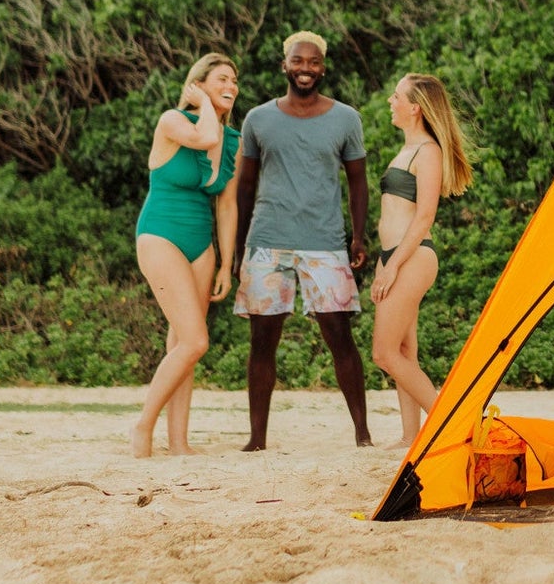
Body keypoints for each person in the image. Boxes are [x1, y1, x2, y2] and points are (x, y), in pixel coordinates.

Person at [231, 31, 372, 449]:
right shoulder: (258, 119)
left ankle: (363, 434)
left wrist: (358, 236)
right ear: (285, 65)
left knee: (340, 336)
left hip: (324, 241)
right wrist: (239, 247)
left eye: (313, 62)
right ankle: (257, 439)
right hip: (267, 241)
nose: (305, 68)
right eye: (298, 61)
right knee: (262, 341)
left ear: (323, 68)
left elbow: (358, 181)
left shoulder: (346, 118)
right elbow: (245, 186)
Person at [130, 52, 242, 458]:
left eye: (234, 81)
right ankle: (143, 426)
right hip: (160, 235)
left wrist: (226, 263)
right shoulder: (172, 121)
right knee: (195, 341)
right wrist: (204, 105)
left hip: (201, 245)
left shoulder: (234, 141)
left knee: (182, 343)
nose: (231, 86)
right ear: (198, 84)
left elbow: (227, 205)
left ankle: (179, 442)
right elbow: (205, 138)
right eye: (222, 79)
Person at [370, 73, 472, 447]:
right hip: (394, 257)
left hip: (411, 258)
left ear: (414, 108)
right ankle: (411, 436)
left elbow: (424, 216)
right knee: (403, 351)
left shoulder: (428, 152)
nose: (390, 101)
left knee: (384, 353)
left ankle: (454, 427)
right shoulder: (407, 149)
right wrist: (384, 264)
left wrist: (394, 265)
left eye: (396, 96)